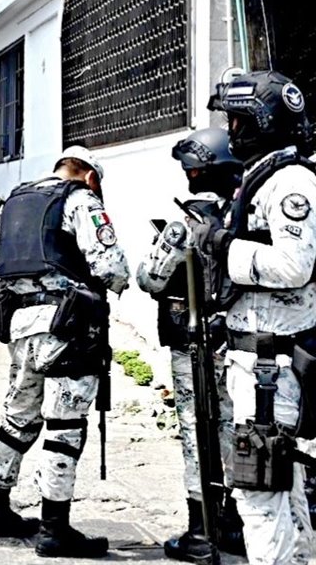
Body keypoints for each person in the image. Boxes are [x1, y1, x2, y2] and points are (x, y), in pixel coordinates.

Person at [0, 145, 130, 558]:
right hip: (68, 328)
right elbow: (112, 268)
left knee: (19, 417)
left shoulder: (13, 202)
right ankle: (54, 527)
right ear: (91, 177)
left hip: (19, 325)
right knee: (65, 427)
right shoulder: (80, 199)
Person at [197, 70, 316, 565]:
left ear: (260, 124)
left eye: (237, 122)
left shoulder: (291, 181)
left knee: (258, 493)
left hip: (274, 366)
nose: (232, 132)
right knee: (281, 489)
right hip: (260, 360)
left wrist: (224, 247)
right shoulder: (263, 176)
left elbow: (294, 265)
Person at [136, 128, 246, 561]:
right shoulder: (246, 216)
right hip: (239, 340)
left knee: (196, 434)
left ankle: (202, 532)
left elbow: (149, 278)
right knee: (237, 428)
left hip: (194, 344)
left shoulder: (184, 225)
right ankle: (237, 522)